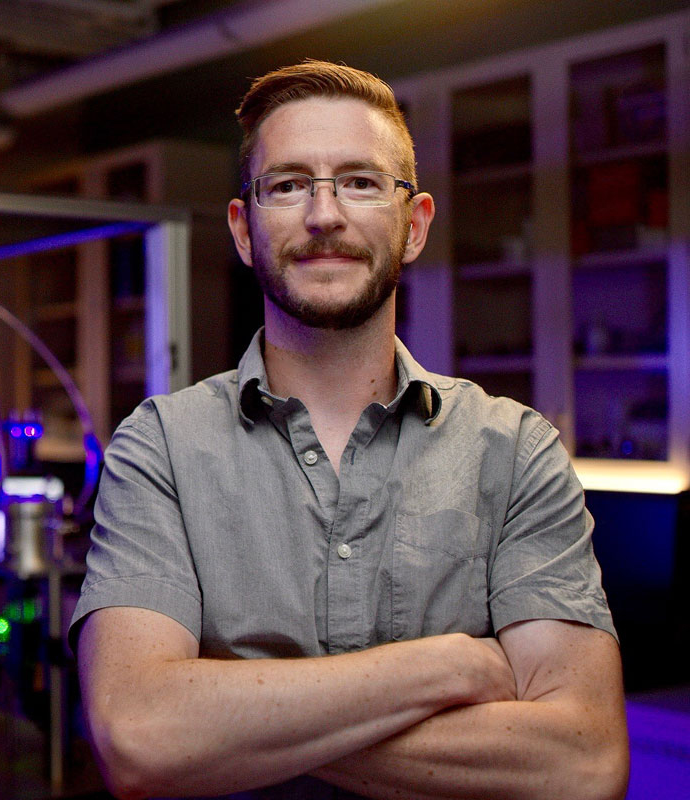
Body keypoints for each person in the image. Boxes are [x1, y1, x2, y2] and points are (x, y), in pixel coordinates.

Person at [70, 60, 629, 800]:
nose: (324, 215)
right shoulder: (161, 447)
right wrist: (443, 668)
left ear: (414, 225)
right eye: (287, 185)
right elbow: (141, 737)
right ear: (243, 229)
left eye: (360, 182)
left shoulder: (517, 452)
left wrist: (233, 720)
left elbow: (583, 764)